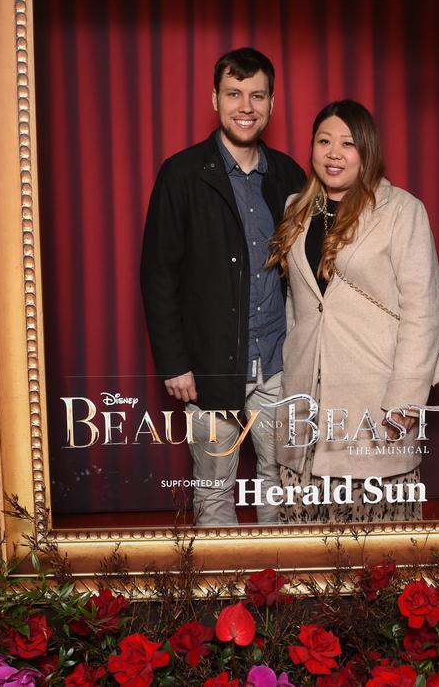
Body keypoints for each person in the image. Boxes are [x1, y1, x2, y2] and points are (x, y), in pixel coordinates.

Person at [140, 47, 305, 526]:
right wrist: (174, 362)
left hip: (278, 363)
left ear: (272, 104)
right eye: (234, 94)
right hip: (210, 367)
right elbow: (158, 274)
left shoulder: (290, 176)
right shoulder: (182, 174)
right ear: (215, 99)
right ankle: (225, 597)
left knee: (281, 482)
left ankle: (277, 597)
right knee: (214, 493)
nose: (245, 106)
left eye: (257, 95)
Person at [267, 100, 439, 523]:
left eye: (347, 143)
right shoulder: (297, 207)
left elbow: (424, 311)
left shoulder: (401, 210)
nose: (333, 153)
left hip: (373, 399)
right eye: (324, 141)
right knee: (307, 545)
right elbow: (298, 303)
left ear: (367, 151)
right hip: (306, 400)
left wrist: (403, 402)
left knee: (376, 546)